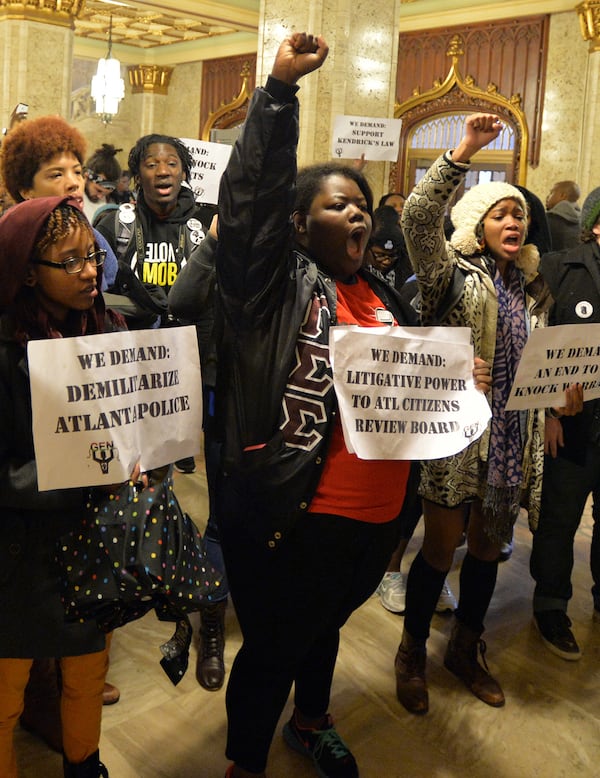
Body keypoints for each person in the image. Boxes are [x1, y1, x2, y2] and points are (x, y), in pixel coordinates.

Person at [213, 33, 491, 778]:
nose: (361, 218)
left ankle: (311, 722)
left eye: (365, 207)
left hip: (379, 515)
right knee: (275, 643)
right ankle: (246, 760)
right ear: (300, 226)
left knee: (323, 628)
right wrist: (276, 95)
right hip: (302, 510)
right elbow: (248, 207)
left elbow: (408, 389)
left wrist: (458, 392)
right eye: (340, 207)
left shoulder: (385, 293)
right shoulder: (273, 290)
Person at [395, 113, 580, 716]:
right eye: (501, 213)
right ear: (477, 224)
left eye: (520, 215)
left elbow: (542, 363)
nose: (515, 221)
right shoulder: (448, 274)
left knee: (486, 550)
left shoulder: (533, 291)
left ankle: (466, 649)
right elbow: (418, 218)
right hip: (456, 436)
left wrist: (558, 396)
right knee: (439, 549)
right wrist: (464, 152)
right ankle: (412, 649)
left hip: (510, 438)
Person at [0, 195, 138, 778]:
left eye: (94, 257)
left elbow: (135, 425)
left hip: (91, 540)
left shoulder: (110, 329)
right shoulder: (5, 348)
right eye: (71, 260)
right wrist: (74, 472)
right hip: (16, 550)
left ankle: (85, 765)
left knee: (85, 669)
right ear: (28, 270)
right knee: (7, 686)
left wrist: (143, 453)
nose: (90, 271)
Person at [529, 187, 600, 660]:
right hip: (571, 425)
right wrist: (550, 409)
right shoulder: (558, 270)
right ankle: (551, 605)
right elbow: (537, 343)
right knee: (559, 521)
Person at [168, 212, 230, 692]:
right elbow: (181, 301)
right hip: (228, 397)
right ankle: (212, 624)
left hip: (290, 406)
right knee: (225, 514)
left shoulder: (304, 259)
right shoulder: (219, 248)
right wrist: (211, 243)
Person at [0, 116, 118, 293]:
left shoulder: (94, 238)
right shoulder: (8, 243)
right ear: (26, 190)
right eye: (56, 175)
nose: (74, 183)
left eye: (78, 172)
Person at [82, 144, 122, 224]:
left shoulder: (110, 203)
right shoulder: (71, 199)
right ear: (86, 177)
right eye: (98, 190)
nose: (100, 197)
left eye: (105, 194)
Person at [545, 179, 581, 251]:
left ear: (562, 195)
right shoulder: (586, 223)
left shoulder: (547, 220)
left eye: (551, 193)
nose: (547, 197)